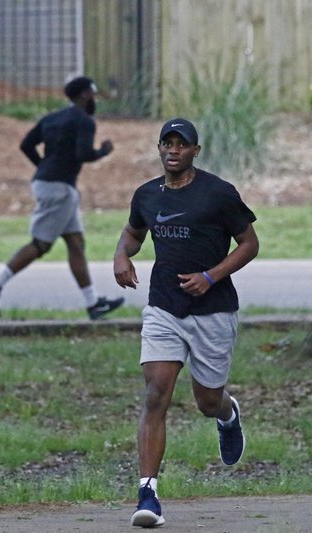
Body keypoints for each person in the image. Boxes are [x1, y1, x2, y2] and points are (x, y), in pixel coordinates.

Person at [113, 118, 259, 528]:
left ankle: (228, 415)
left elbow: (250, 244)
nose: (173, 150)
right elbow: (132, 234)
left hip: (213, 312)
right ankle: (148, 495)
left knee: (206, 402)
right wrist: (121, 257)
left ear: (196, 150)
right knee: (156, 392)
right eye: (167, 143)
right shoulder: (146, 195)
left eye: (182, 144)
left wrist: (211, 276)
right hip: (164, 307)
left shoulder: (218, 194)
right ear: (159, 148)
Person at [0, 76, 124, 320]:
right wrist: (103, 151)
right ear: (85, 94)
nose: (94, 99)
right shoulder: (84, 121)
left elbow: (26, 144)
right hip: (59, 188)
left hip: (51, 184)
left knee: (76, 243)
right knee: (41, 245)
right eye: (93, 93)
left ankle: (93, 304)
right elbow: (84, 153)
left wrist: (43, 167)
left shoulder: (52, 118)